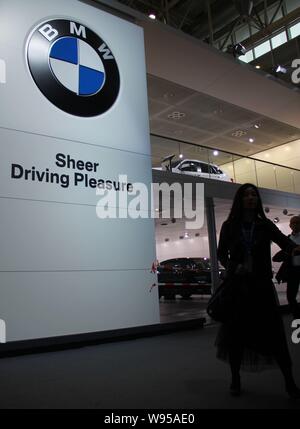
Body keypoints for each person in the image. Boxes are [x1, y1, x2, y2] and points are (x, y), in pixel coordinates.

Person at [216, 183, 300, 398]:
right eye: (247, 195)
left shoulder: (264, 225)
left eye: (254, 195)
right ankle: (235, 380)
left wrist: (295, 248)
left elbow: (284, 242)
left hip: (261, 287)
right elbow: (221, 255)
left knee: (275, 336)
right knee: (235, 336)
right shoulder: (229, 226)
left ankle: (290, 383)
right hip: (238, 287)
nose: (251, 198)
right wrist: (233, 267)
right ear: (240, 200)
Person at [275, 216, 300, 318]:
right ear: (290, 225)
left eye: (298, 222)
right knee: (290, 296)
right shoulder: (287, 239)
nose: (295, 225)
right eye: (293, 223)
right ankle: (297, 318)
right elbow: (278, 257)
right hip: (293, 271)